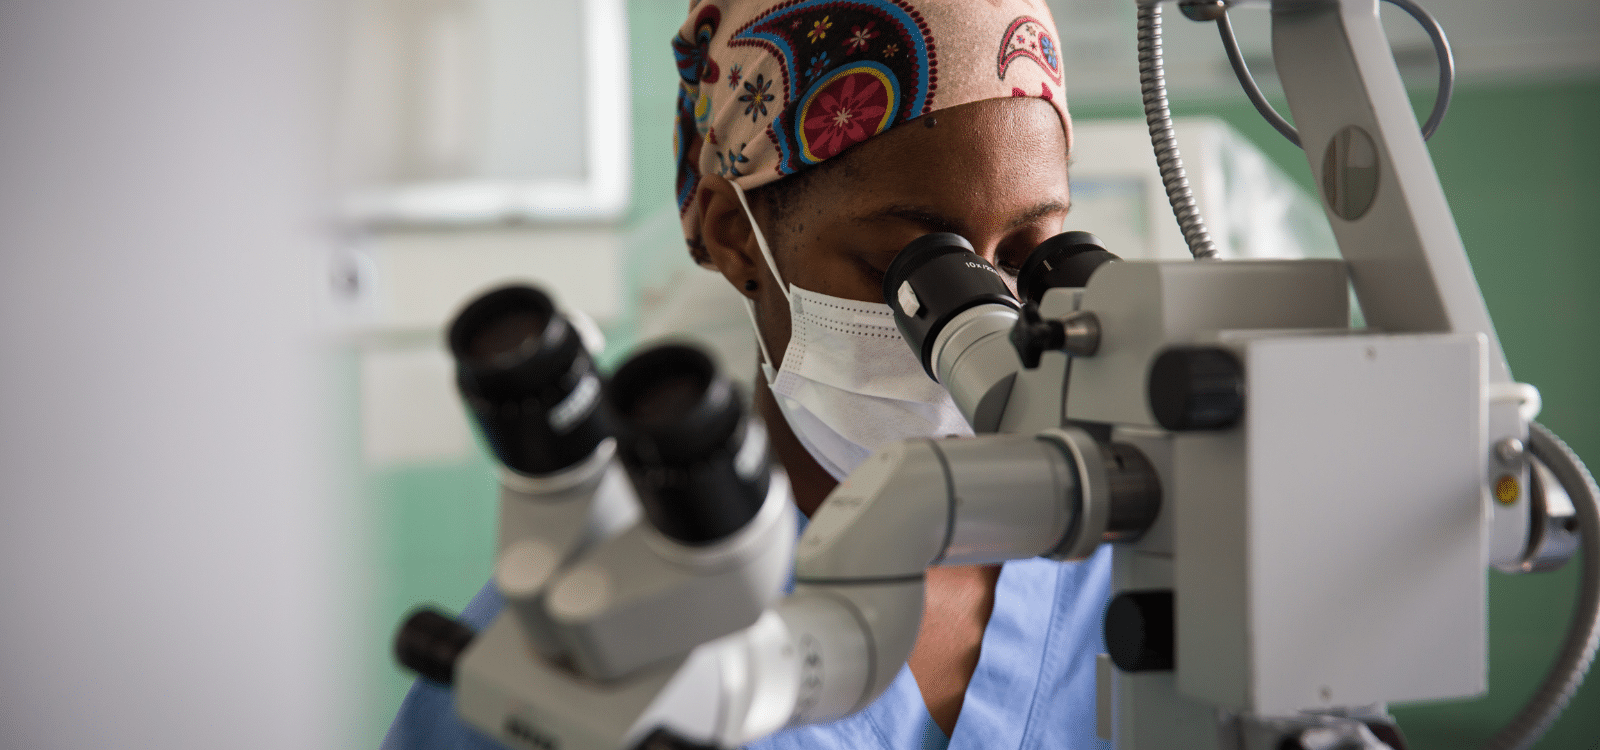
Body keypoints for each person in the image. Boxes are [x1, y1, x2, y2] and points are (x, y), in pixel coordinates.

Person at [384, 1, 1110, 748]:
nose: (984, 325)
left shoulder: (1147, 555)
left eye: (1027, 257)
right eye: (910, 266)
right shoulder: (586, 642)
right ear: (737, 238)